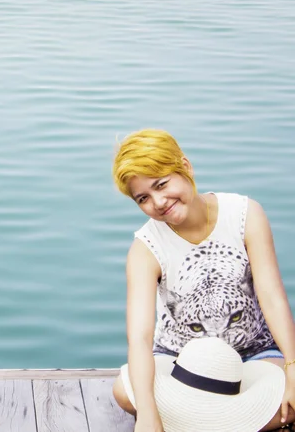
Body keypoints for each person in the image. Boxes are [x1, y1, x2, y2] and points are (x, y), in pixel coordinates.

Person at [110, 129, 295, 432]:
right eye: (143, 197)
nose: (158, 202)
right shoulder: (145, 249)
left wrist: (292, 366)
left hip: (254, 353)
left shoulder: (245, 215)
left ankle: (192, 421)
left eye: (162, 184)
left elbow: (272, 296)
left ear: (186, 167)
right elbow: (140, 338)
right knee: (124, 391)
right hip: (181, 363)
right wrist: (147, 411)